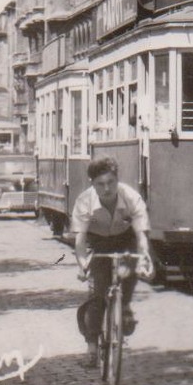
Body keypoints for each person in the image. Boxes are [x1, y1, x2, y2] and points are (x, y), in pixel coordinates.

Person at [73, 157, 154, 368]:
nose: (107, 188)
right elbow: (80, 241)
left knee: (129, 270)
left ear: (117, 180)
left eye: (111, 182)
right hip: (98, 241)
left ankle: (124, 306)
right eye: (100, 184)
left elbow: (141, 235)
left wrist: (144, 257)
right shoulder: (84, 202)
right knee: (98, 294)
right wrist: (83, 264)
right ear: (92, 184)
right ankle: (92, 347)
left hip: (124, 238)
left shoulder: (131, 197)